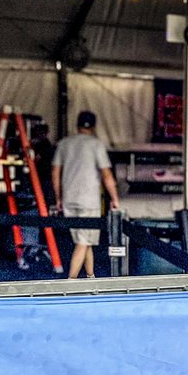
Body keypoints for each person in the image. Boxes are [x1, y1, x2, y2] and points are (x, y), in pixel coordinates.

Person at [51, 110, 120, 279]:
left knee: (84, 241)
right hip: (88, 201)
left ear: (77, 125)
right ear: (94, 126)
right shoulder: (96, 145)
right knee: (84, 241)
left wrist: (58, 197)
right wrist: (115, 198)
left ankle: (90, 277)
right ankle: (70, 282)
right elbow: (107, 175)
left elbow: (55, 172)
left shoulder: (64, 144)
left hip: (69, 199)